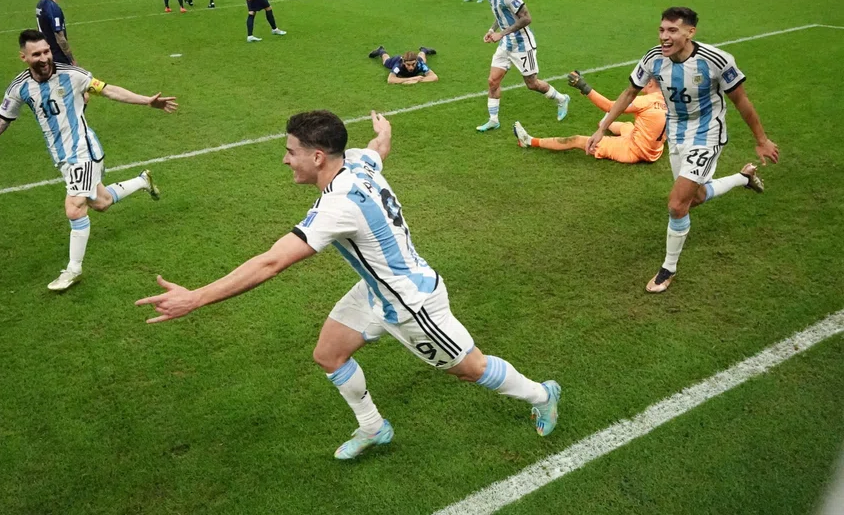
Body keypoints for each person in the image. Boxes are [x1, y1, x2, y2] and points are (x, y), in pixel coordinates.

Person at [136, 110, 561, 459]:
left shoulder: (336, 206)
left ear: (318, 156)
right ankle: (374, 428)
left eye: (291, 152)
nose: (286, 160)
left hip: (413, 305)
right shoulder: (358, 161)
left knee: (471, 370)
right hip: (376, 290)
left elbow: (270, 262)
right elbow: (379, 151)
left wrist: (196, 298)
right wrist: (385, 131)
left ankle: (541, 394)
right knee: (328, 354)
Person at [0, 30, 178, 292]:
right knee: (101, 202)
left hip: (83, 152)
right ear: (24, 57)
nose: (44, 58)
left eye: (46, 51)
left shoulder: (72, 75)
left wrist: (147, 101)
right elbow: (1, 120)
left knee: (75, 207)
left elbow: (109, 90)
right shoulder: (20, 87)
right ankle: (142, 181)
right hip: (64, 158)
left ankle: (73, 270)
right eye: (37, 54)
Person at [586, 7, 780, 293]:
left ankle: (668, 269)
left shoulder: (716, 60)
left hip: (706, 134)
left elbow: (742, 101)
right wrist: (602, 127)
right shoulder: (653, 59)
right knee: (695, 197)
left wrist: (762, 140)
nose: (664, 37)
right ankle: (743, 177)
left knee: (677, 205)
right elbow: (629, 92)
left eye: (672, 31)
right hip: (676, 133)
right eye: (662, 30)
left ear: (690, 32)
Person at [477, 0, 569, 132]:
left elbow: (526, 18)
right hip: (506, 44)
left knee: (532, 84)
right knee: (493, 81)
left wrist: (502, 34)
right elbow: (500, 15)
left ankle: (562, 99)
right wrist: (492, 30)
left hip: (522, 44)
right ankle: (493, 120)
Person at [513, 71, 666, 164]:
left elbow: (609, 106)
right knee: (626, 125)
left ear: (651, 82)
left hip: (635, 150)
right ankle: (604, 122)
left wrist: (583, 87)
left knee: (577, 140)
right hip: (655, 150)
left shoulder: (645, 101)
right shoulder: (670, 100)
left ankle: (529, 141)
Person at [36, 0, 76, 66]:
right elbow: (60, 38)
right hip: (58, 58)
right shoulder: (52, 8)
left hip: (46, 55)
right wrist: (71, 60)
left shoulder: (40, 3)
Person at [368, 46, 439, 84]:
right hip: (395, 60)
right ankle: (381, 51)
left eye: (413, 64)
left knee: (422, 59)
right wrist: (410, 79)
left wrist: (417, 80)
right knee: (386, 62)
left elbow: (434, 77)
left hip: (419, 60)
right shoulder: (398, 65)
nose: (411, 67)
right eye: (408, 64)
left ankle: (424, 50)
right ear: (404, 62)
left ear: (416, 62)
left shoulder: (419, 63)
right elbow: (390, 80)